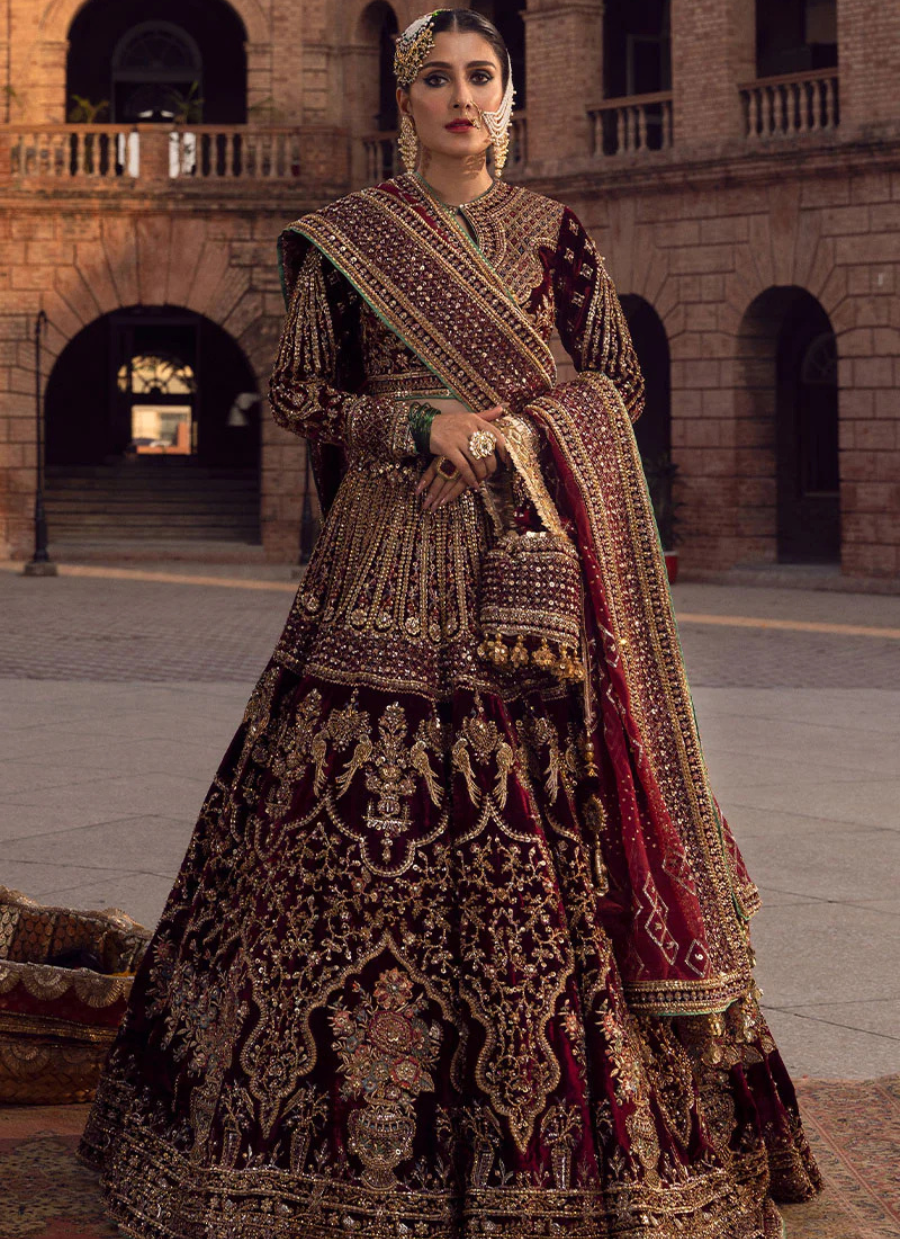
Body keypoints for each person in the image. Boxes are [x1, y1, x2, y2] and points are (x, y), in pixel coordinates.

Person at [79, 10, 823, 1236]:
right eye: (437, 78)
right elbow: (308, 392)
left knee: (545, 830)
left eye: (482, 76)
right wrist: (419, 427)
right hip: (380, 558)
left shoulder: (556, 236)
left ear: (510, 98)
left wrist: (515, 434)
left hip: (519, 565)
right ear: (405, 101)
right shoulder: (347, 242)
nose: (461, 96)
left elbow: (615, 385)